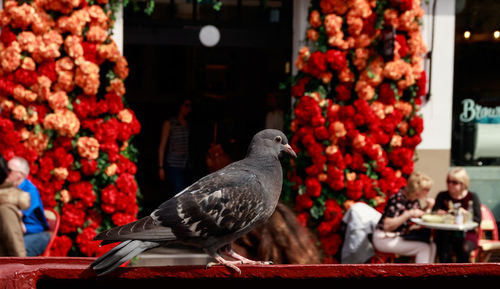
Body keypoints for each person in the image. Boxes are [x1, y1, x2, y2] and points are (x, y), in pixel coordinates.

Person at [372, 171, 436, 263]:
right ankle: (422, 275)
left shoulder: (414, 200)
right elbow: (387, 226)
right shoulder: (398, 198)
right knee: (424, 248)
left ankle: (430, 274)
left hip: (397, 237)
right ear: (417, 189)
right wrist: (407, 214)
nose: (428, 192)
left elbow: (418, 216)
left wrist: (428, 207)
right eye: (426, 189)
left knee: (432, 245)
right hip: (384, 238)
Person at [432, 167, 481, 263]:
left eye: (454, 182)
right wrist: (439, 214)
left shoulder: (471, 197)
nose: (450, 185)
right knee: (444, 249)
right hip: (445, 233)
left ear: (463, 184)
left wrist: (466, 214)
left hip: (466, 233)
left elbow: (478, 220)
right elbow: (434, 213)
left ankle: (463, 274)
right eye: (448, 181)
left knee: (464, 248)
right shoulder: (442, 196)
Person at [5, 156, 50, 256]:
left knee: (10, 249)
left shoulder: (30, 191)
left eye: (9, 170)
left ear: (20, 175)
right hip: (18, 233)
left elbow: (15, 215)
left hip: (35, 234)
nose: (4, 172)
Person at [158, 98, 192, 196]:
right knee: (178, 189)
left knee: (186, 191)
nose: (188, 108)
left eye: (190, 106)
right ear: (180, 106)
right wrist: (160, 167)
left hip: (185, 164)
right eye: (186, 105)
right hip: (173, 164)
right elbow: (162, 144)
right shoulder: (170, 123)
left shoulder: (188, 123)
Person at [0, 155, 31, 256]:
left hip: (29, 231)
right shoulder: (7, 208)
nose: (7, 173)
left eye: (9, 169)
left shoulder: (29, 189)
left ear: (20, 175)